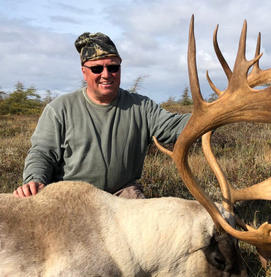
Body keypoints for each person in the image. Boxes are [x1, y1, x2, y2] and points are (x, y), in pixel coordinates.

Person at [13, 32, 191, 199]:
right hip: (71, 196)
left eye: (113, 67)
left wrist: (214, 115)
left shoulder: (142, 107)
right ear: (84, 72)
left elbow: (175, 126)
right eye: (97, 69)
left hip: (122, 193)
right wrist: (34, 180)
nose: (106, 75)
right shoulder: (59, 109)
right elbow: (42, 153)